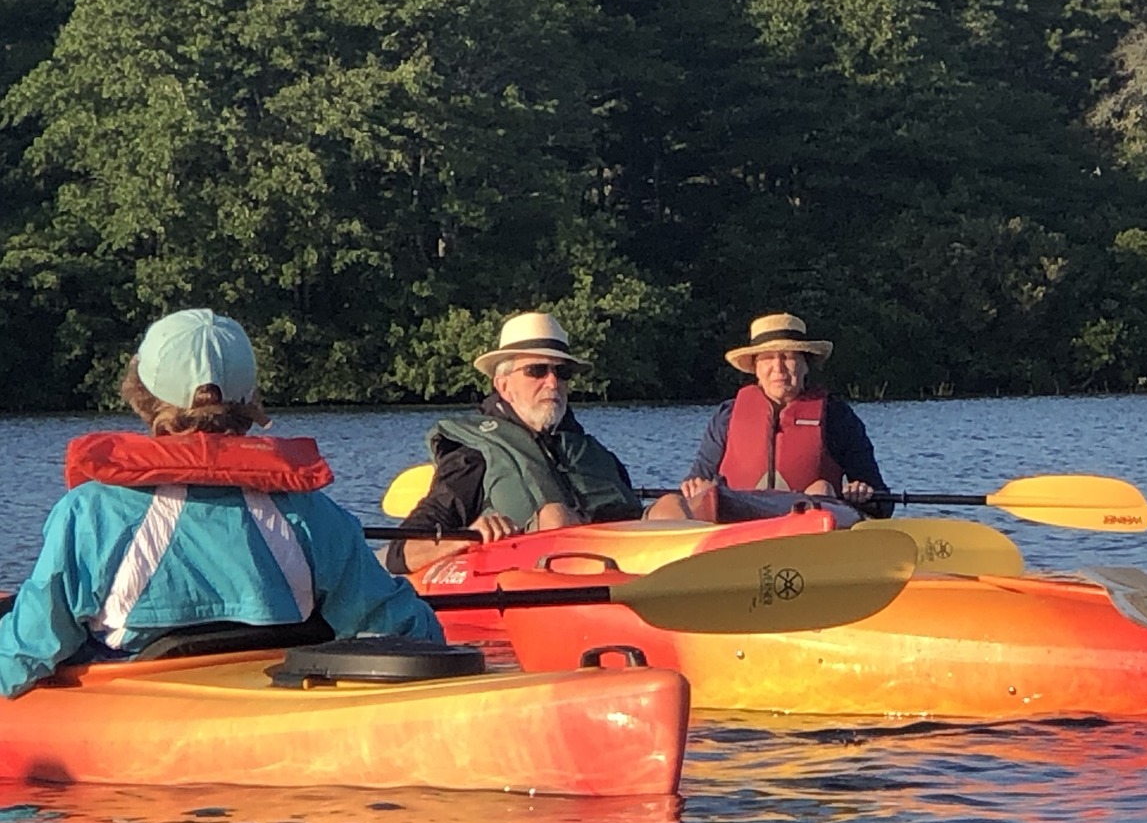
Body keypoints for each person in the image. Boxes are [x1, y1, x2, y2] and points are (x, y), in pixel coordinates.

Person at [0, 308, 442, 697]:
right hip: (276, 703)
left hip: (136, 714)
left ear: (142, 394)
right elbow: (407, 631)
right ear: (249, 399)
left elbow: (28, 650)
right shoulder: (313, 513)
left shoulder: (91, 514)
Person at [386, 312, 652, 574]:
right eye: (536, 371)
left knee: (670, 506)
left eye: (562, 373)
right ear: (503, 386)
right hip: (533, 575)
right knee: (554, 516)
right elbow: (400, 554)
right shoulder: (471, 458)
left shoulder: (592, 454)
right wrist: (468, 535)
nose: (552, 382)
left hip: (619, 567)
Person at [675, 313, 890, 520]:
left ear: (805, 365)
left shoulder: (837, 418)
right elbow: (697, 480)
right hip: (737, 524)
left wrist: (861, 494)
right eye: (768, 358)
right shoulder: (726, 417)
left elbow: (883, 502)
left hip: (807, 527)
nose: (778, 368)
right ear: (755, 368)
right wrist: (695, 488)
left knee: (821, 488)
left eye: (788, 357)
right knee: (671, 504)